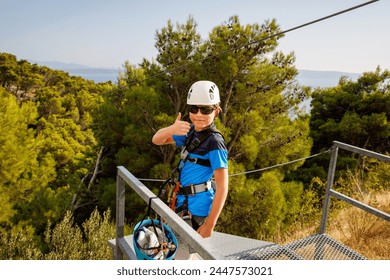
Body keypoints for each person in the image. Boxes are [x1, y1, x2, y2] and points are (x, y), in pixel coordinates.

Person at [152, 80, 228, 239]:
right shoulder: (190, 132)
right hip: (181, 202)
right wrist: (170, 129)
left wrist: (209, 225)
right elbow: (156, 140)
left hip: (197, 209)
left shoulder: (215, 142)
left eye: (206, 109)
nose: (199, 115)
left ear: (216, 111)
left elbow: (222, 187)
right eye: (194, 109)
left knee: (183, 256)